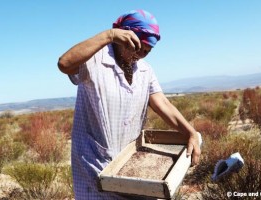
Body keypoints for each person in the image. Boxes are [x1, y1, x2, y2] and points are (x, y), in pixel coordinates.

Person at [58, 9, 201, 200]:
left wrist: (190, 132)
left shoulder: (144, 70)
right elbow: (64, 63)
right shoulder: (95, 60)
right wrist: (108, 35)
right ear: (123, 37)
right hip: (94, 165)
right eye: (136, 47)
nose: (140, 55)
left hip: (129, 165)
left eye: (147, 51)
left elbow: (163, 104)